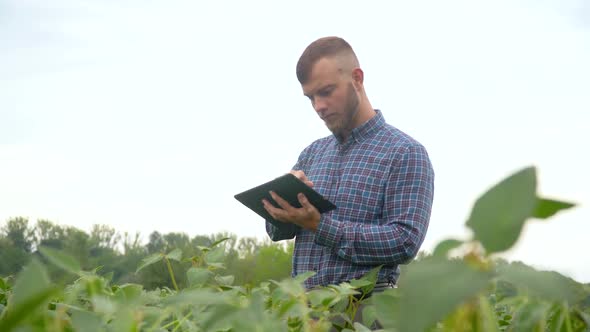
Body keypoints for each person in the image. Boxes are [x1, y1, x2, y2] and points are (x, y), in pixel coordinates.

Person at [262, 36, 435, 293]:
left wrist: (320, 225)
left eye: (326, 92)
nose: (319, 106)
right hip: (306, 311)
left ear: (357, 78)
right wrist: (282, 202)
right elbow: (276, 232)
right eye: (311, 98)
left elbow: (404, 241)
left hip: (365, 308)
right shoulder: (312, 154)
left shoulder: (405, 153)